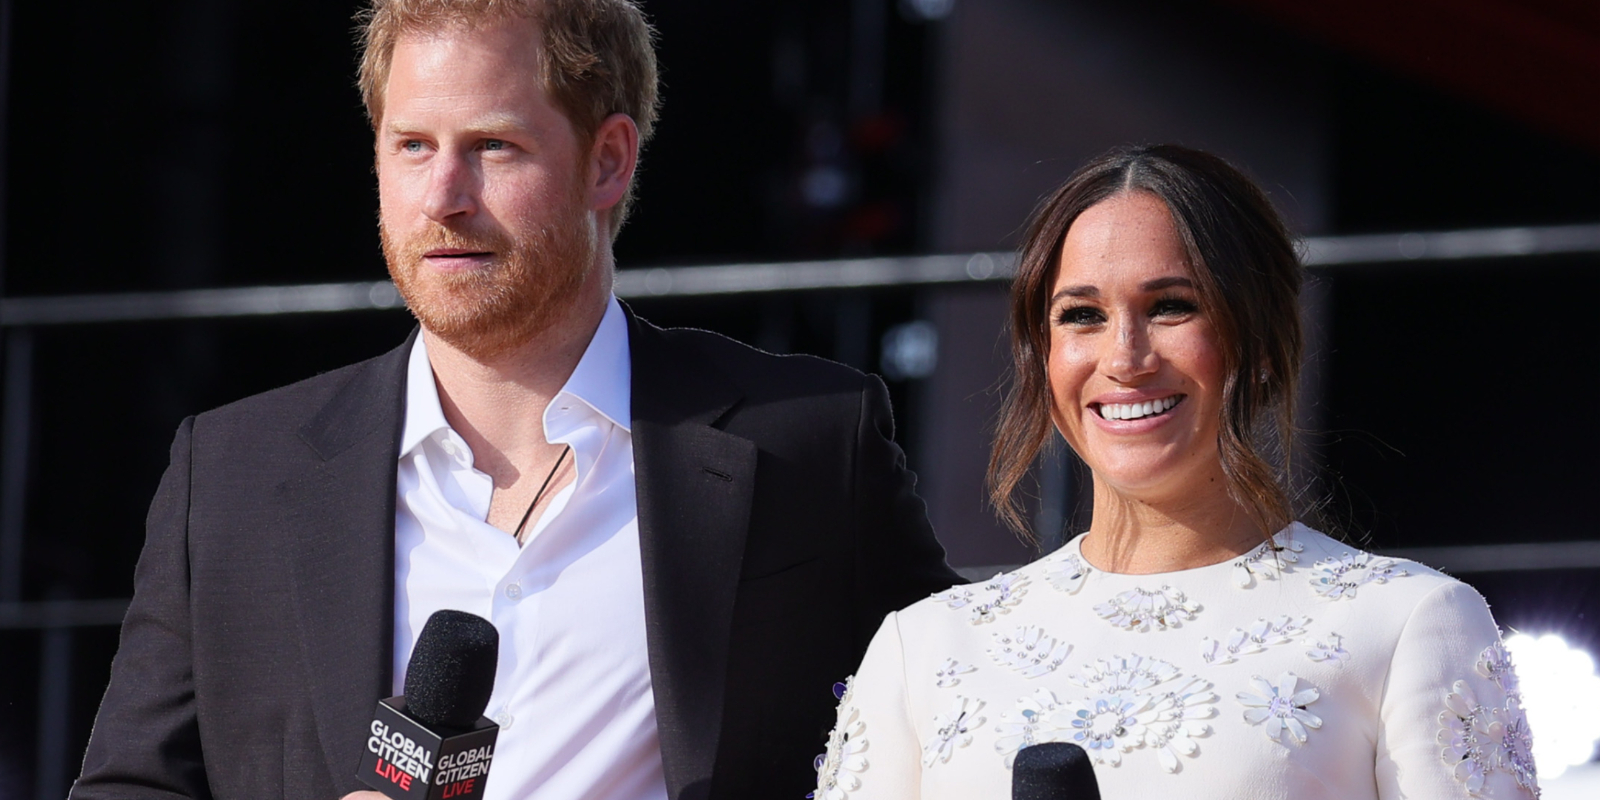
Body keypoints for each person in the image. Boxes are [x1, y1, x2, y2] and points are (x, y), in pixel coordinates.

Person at [70, 2, 959, 799]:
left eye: (492, 146)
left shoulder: (805, 440)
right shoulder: (233, 473)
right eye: (412, 145)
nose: (442, 198)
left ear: (607, 161)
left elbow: (970, 714)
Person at [813, 145, 1539, 799]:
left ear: (1257, 341)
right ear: (1042, 354)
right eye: (1082, 316)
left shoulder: (1405, 623)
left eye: (1171, 307)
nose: (1125, 358)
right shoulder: (928, 646)